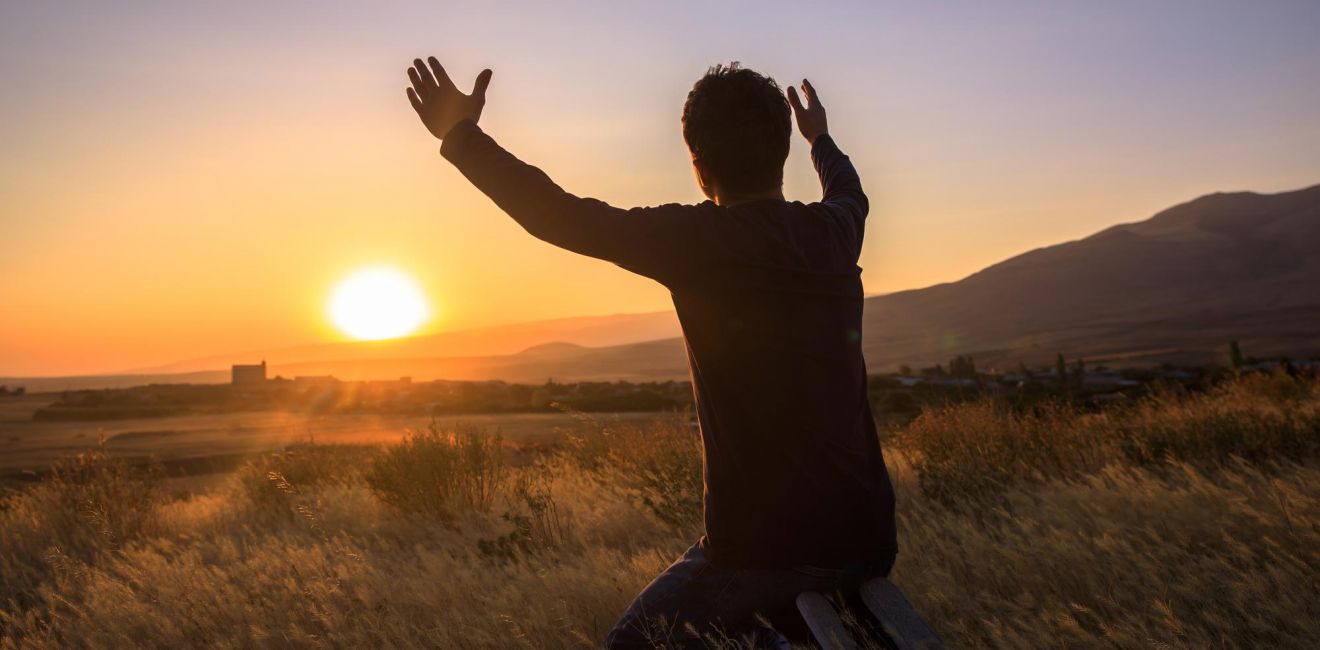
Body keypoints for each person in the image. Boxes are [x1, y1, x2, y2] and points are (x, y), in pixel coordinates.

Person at [405, 57, 897, 648]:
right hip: (866, 540)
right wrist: (821, 138)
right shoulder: (836, 231)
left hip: (763, 551)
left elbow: (557, 215)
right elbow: (851, 189)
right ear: (782, 153)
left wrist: (460, 136)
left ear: (699, 165)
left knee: (634, 643)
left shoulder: (694, 241)